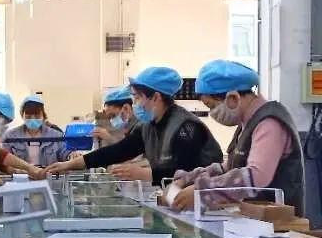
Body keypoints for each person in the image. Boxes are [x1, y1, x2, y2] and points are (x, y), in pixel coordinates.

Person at [170, 60, 305, 213]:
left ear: (233, 98)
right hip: (253, 218)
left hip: (278, 222)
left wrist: (203, 191)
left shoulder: (269, 123)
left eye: (212, 106)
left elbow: (256, 176)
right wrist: (188, 179)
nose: (212, 113)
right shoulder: (246, 124)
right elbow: (230, 166)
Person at [47, 67, 223, 184]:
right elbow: (117, 151)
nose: (135, 104)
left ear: (156, 97)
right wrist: (68, 165)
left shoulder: (187, 127)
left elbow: (187, 171)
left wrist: (144, 174)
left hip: (205, 198)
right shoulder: (149, 126)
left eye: (137, 98)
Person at [3, 94, 69, 167]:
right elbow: (4, 159)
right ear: (22, 115)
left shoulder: (56, 135)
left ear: (43, 115)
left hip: (48, 173)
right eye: (29, 116)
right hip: (21, 173)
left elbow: (64, 153)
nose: (33, 119)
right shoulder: (11, 135)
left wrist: (71, 155)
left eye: (37, 115)